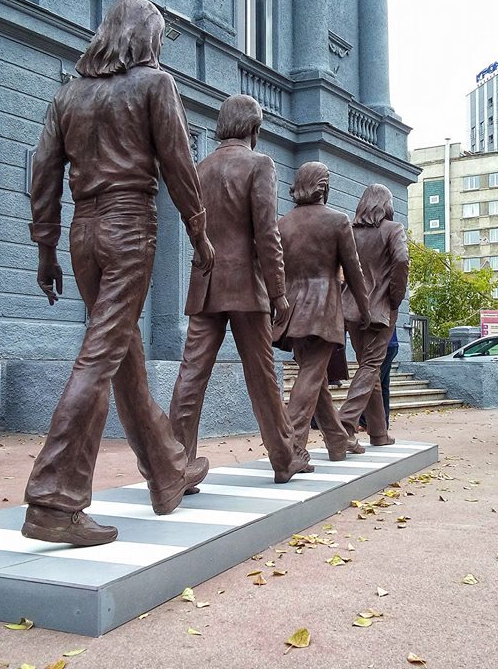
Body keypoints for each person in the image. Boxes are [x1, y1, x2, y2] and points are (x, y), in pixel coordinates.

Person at [21, 0, 216, 546]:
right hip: (129, 227)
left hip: (83, 234)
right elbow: (179, 166)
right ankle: (53, 499)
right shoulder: (155, 85)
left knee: (121, 352)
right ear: (146, 39)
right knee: (102, 355)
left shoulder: (68, 95)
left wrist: (46, 247)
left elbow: (43, 174)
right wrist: (199, 234)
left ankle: (167, 470)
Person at [169, 94, 310, 485]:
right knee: (262, 375)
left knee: (191, 375)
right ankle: (283, 457)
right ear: (254, 129)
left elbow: (194, 228)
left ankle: (175, 465)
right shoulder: (259, 164)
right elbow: (267, 233)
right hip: (247, 286)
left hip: (206, 283)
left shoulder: (199, 169)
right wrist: (278, 291)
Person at [275, 162, 371, 460]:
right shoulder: (338, 221)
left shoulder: (283, 223)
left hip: (292, 310)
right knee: (311, 377)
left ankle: (337, 439)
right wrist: (364, 308)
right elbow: (353, 270)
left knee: (314, 377)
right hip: (323, 309)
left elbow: (273, 269)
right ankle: (289, 447)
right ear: (324, 186)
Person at [338, 184, 409, 447]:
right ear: (385, 204)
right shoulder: (393, 229)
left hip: (351, 309)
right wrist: (395, 298)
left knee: (369, 367)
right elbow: (401, 261)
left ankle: (378, 433)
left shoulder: (350, 231)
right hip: (380, 309)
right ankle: (345, 423)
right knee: (370, 367)